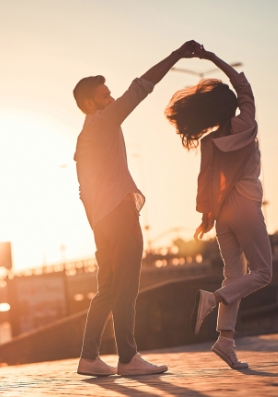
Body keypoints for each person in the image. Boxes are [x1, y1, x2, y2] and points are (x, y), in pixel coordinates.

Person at [73, 41, 199, 377]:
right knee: (126, 289)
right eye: (105, 96)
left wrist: (97, 223)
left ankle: (89, 357)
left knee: (108, 290)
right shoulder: (103, 121)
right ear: (90, 104)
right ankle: (128, 359)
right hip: (119, 215)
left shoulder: (83, 138)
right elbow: (141, 88)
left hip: (102, 222)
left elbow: (83, 190)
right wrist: (175, 55)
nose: (112, 100)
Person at [165, 44, 272, 370]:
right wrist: (211, 57)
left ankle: (225, 340)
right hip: (245, 204)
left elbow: (206, 181)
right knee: (263, 273)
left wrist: (205, 217)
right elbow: (243, 86)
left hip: (222, 212)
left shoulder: (210, 142)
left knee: (234, 274)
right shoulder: (246, 124)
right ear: (231, 107)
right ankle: (212, 299)